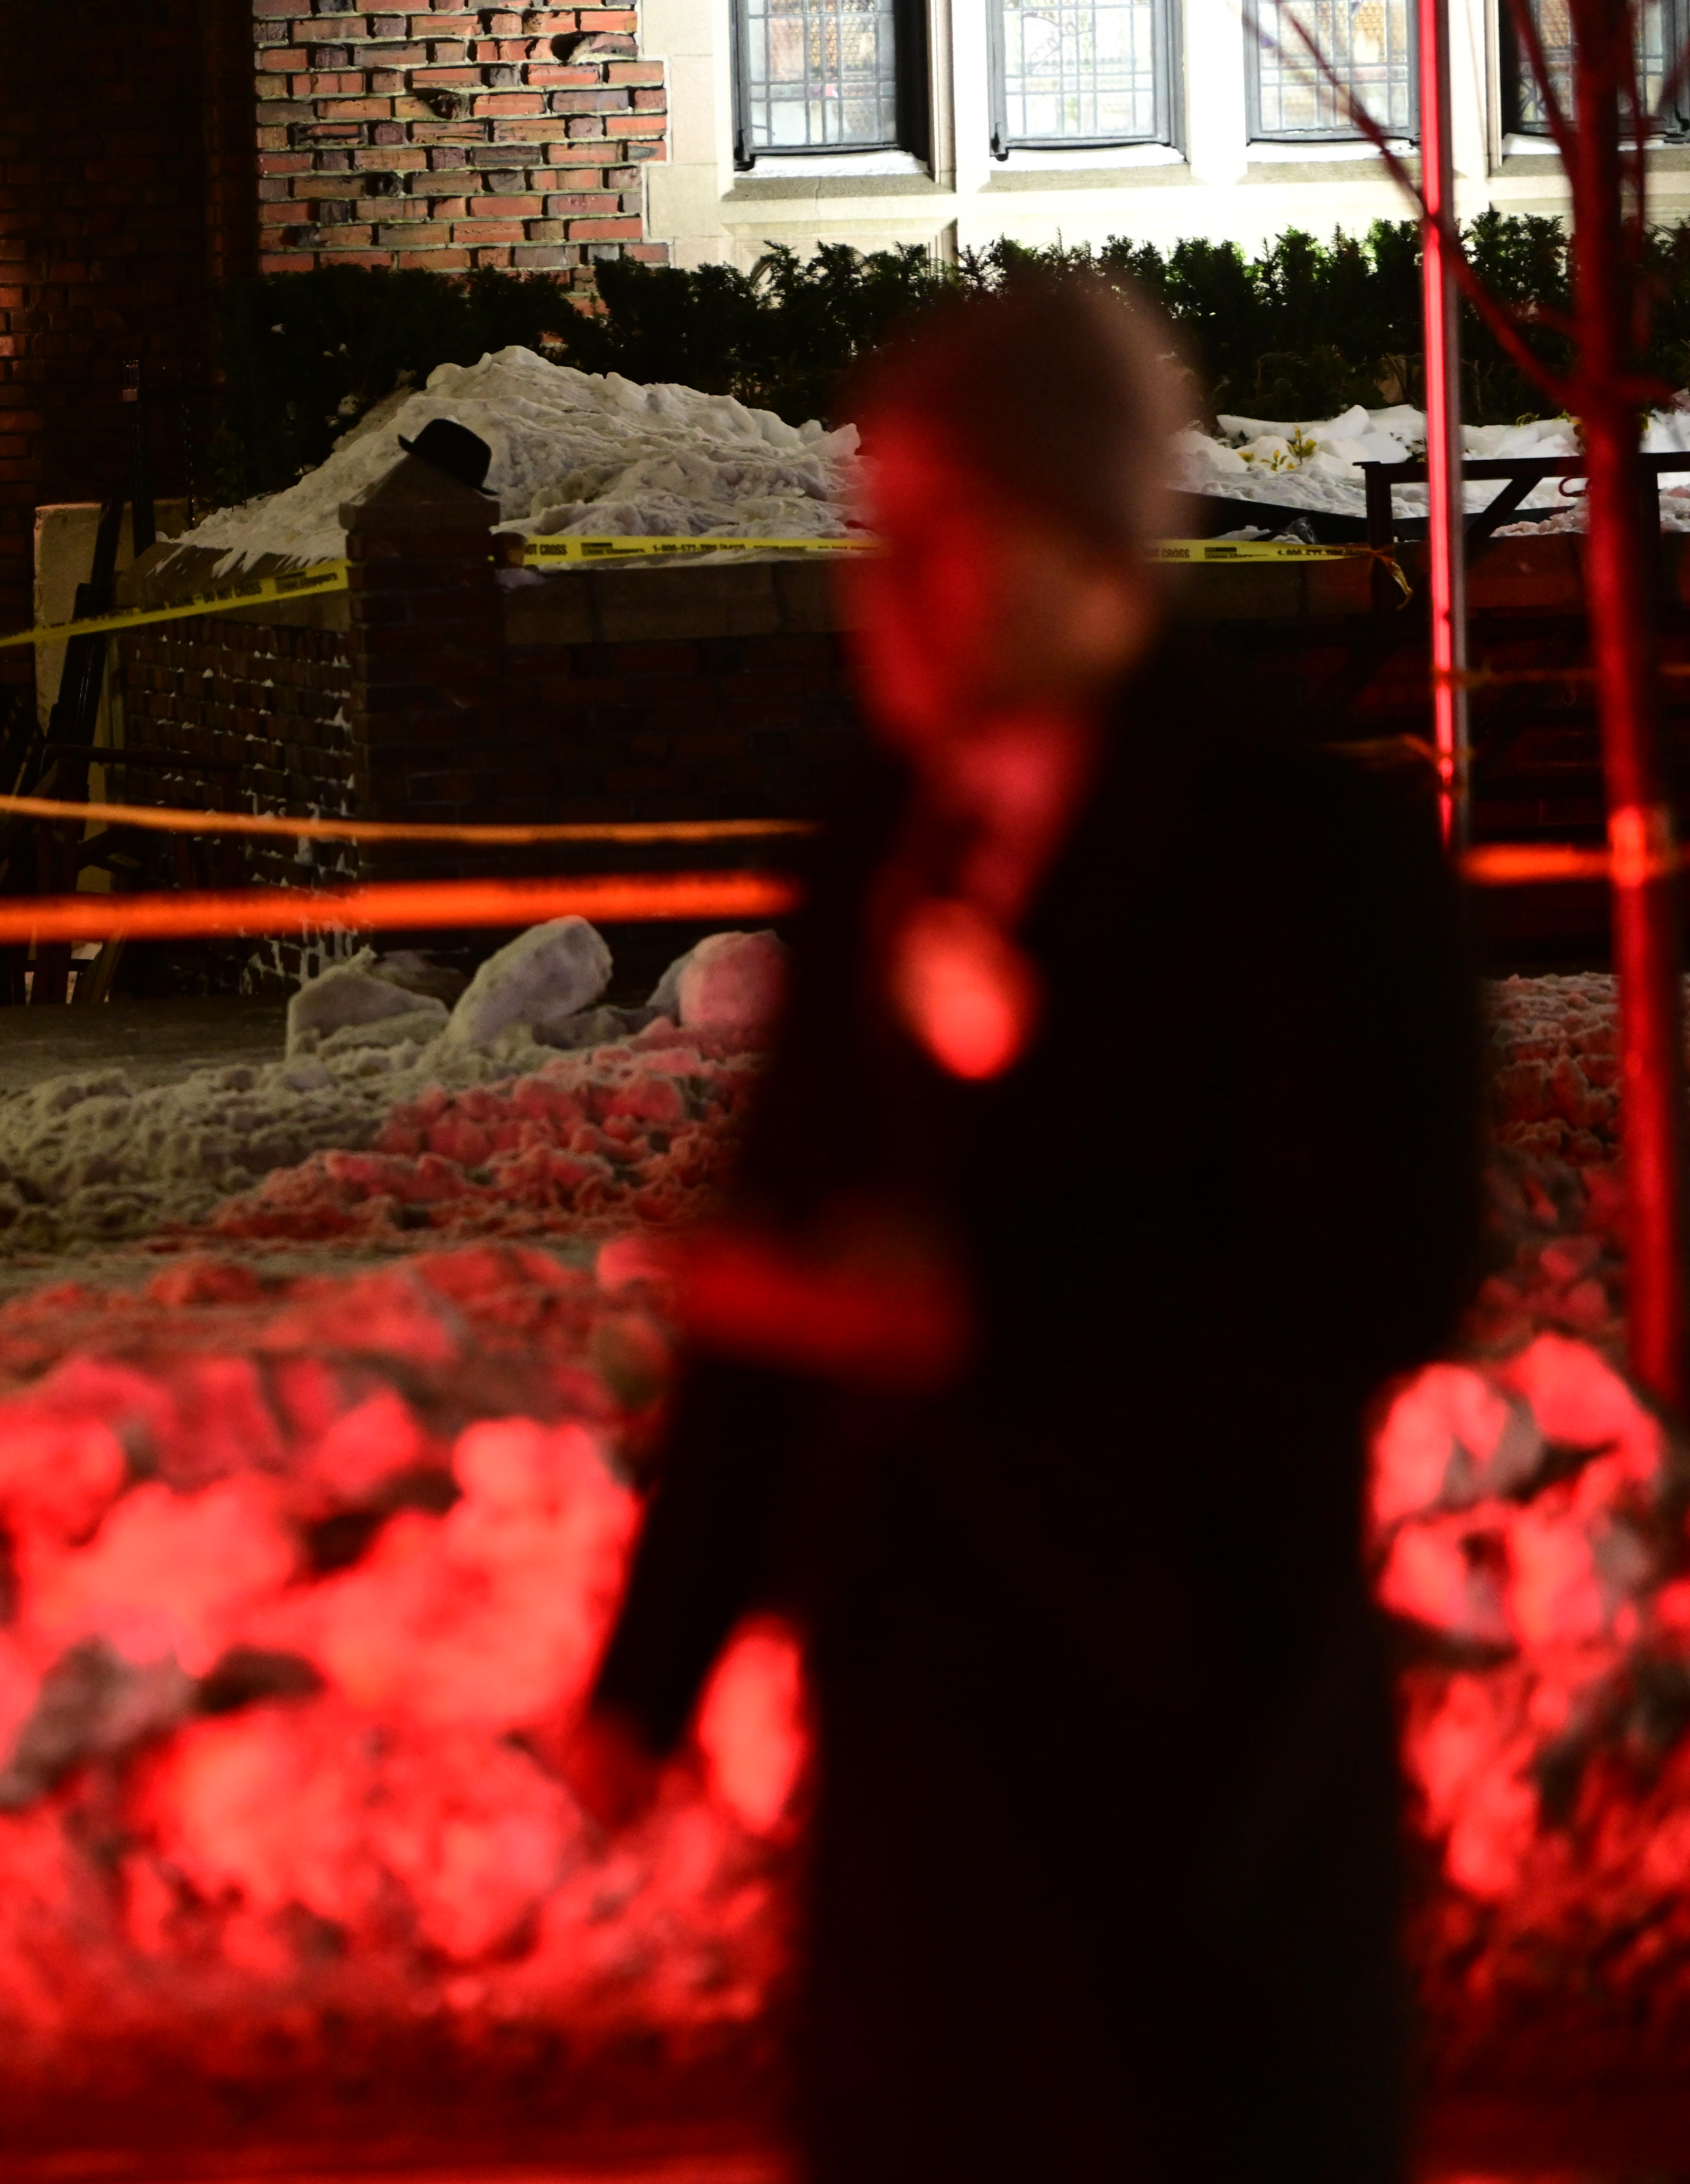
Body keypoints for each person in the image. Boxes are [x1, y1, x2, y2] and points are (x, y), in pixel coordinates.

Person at [554, 279, 1486, 2182]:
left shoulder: (1311, 866)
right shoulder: (882, 837)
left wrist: (979, 1311)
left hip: (1192, 1750)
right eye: (870, 537)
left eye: (935, 534)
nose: (878, 593)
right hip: (923, 1773)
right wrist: (650, 1676)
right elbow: (782, 1265)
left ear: (1077, 539)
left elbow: (1374, 1268)